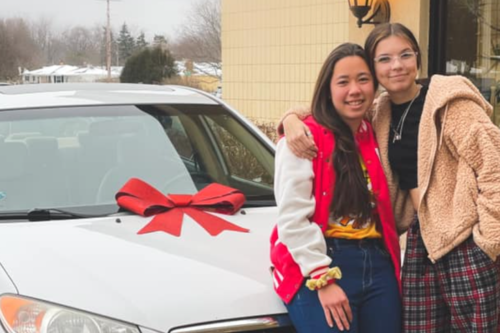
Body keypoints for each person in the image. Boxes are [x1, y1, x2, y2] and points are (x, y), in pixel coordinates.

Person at [279, 22, 500, 332]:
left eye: (405, 55)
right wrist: (290, 119)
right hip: (418, 243)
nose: (396, 66)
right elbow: (330, 105)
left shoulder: (450, 104)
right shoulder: (379, 111)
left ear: (418, 59)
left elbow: (495, 167)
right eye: (384, 59)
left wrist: (487, 242)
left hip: (463, 239)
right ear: (374, 70)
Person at [270, 42, 402, 333]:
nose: (355, 90)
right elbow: (292, 217)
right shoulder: (304, 139)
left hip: (378, 263)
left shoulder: (375, 131)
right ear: (327, 88)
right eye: (343, 82)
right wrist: (323, 278)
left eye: (363, 79)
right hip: (323, 260)